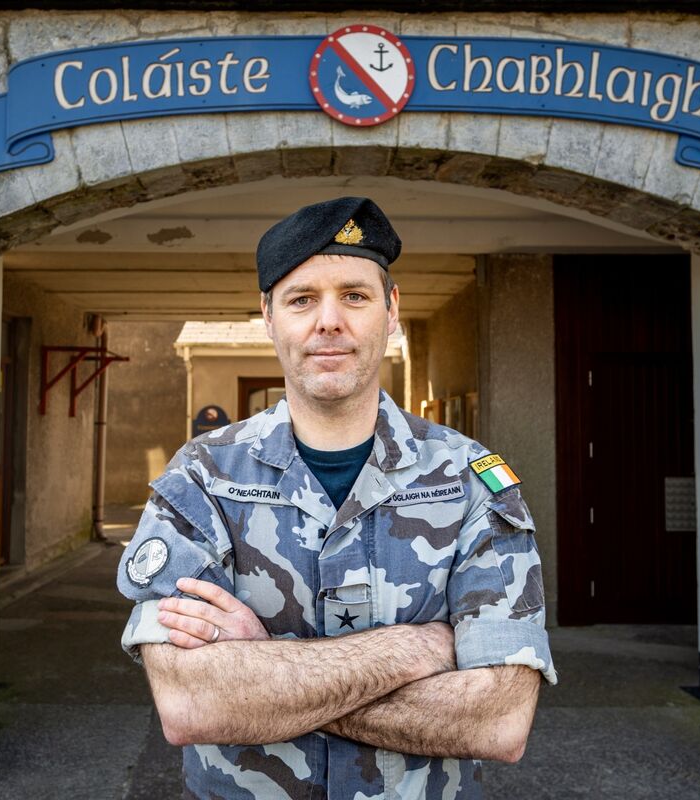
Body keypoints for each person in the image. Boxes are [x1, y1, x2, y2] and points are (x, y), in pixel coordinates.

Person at [116, 196, 556, 799]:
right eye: (302, 299)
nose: (329, 321)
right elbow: (191, 702)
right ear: (268, 316)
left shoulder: (471, 482)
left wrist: (264, 665)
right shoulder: (202, 476)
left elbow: (498, 720)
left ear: (391, 310)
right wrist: (417, 647)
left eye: (354, 295)